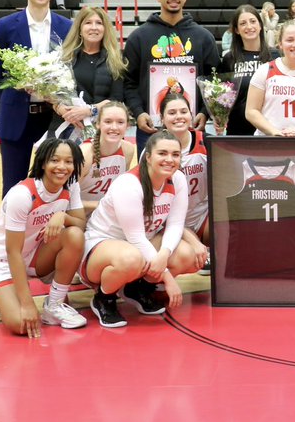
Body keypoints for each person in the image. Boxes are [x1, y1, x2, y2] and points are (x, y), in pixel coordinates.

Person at [81, 130, 199, 328]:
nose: (169, 159)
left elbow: (176, 223)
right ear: (148, 157)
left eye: (175, 154)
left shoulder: (177, 178)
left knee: (187, 254)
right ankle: (103, 298)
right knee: (131, 258)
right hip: (101, 250)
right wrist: (167, 277)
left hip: (140, 246)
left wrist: (164, 254)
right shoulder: (129, 184)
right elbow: (135, 237)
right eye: (162, 153)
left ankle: (137, 290)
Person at [0, 138, 88, 335]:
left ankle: (53, 306)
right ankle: (0, 294)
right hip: (1, 261)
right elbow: (13, 252)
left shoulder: (70, 185)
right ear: (43, 162)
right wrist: (27, 303)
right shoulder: (22, 195)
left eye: (68, 161)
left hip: (34, 254)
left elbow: (80, 223)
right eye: (55, 160)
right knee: (22, 324)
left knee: (74, 235)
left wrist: (62, 216)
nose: (62, 167)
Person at [0, 0, 74, 196]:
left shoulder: (66, 26)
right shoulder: (5, 26)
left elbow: (71, 69)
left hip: (54, 118)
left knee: (54, 184)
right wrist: (14, 95)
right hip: (16, 117)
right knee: (13, 187)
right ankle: (12, 231)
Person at [122, 0, 219, 154]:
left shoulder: (203, 37)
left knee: (195, 178)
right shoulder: (138, 37)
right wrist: (138, 112)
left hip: (191, 127)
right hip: (150, 128)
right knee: (153, 180)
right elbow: (128, 82)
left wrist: (204, 113)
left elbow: (214, 82)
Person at [49, 6, 127, 140]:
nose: (94, 27)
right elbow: (52, 94)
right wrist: (61, 109)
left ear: (105, 29)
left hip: (102, 131)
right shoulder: (63, 58)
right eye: (88, 23)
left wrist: (89, 111)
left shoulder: (117, 59)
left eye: (99, 23)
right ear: (79, 28)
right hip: (65, 129)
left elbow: (116, 97)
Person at [156, 91, 213, 273]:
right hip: (168, 221)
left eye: (183, 111)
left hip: (201, 216)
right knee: (185, 256)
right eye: (172, 113)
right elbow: (155, 209)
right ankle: (153, 283)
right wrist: (192, 240)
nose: (179, 117)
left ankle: (211, 255)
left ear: (191, 115)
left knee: (233, 227)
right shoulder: (153, 151)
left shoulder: (207, 142)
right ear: (162, 118)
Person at [219, 4, 275, 136]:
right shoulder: (229, 59)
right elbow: (222, 96)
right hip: (238, 130)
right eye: (243, 23)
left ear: (260, 26)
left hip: (269, 130)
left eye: (253, 21)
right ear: (237, 30)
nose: (249, 27)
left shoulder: (275, 57)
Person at [78, 102, 138, 216]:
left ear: (127, 126)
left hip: (107, 216)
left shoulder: (128, 150)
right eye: (108, 121)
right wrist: (100, 205)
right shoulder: (85, 154)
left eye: (120, 122)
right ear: (98, 124)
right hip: (79, 215)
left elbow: (120, 189)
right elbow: (67, 199)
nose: (114, 127)